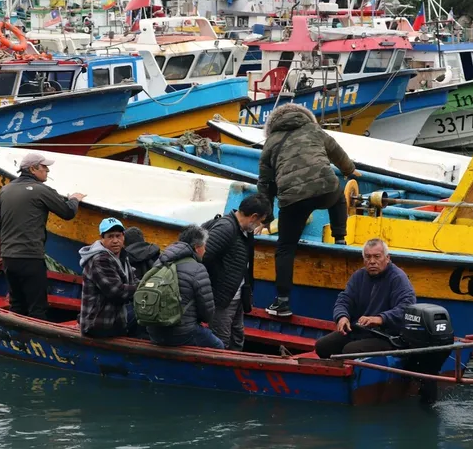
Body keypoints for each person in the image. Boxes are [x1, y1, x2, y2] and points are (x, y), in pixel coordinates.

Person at [257, 102, 360, 317]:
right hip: (325, 190)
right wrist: (350, 170)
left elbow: (265, 184)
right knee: (338, 195)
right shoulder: (314, 130)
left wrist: (267, 218)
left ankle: (282, 302)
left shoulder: (270, 143)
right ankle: (340, 238)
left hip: (293, 201)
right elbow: (336, 152)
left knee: (285, 248)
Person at [0, 152, 85, 320]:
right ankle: (35, 343)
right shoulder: (42, 190)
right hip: (30, 257)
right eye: (44, 167)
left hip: (8, 257)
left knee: (17, 303)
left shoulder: (5, 190)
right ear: (33, 169)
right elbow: (67, 212)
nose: (47, 171)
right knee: (38, 308)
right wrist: (74, 199)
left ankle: (16, 340)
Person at [314, 239, 417, 359]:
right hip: (359, 331)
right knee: (322, 346)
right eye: (368, 257)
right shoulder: (359, 276)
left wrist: (380, 318)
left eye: (377, 256)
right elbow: (344, 299)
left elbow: (407, 308)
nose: (372, 261)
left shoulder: (397, 278)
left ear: (387, 258)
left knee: (350, 350)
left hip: (386, 336)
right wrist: (342, 317)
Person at [203, 194, 271, 351]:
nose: (259, 225)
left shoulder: (246, 231)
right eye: (260, 221)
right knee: (221, 342)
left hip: (237, 296)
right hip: (222, 299)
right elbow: (203, 256)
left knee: (237, 337)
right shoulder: (226, 229)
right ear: (253, 217)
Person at [147, 225, 224, 349]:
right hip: (182, 334)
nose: (205, 250)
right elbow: (207, 314)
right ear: (197, 248)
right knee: (219, 347)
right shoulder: (198, 269)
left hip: (153, 331)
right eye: (205, 246)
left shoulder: (160, 261)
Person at [78, 218, 139, 338]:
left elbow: (133, 281)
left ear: (123, 237)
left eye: (118, 236)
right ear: (102, 238)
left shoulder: (122, 256)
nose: (115, 241)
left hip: (116, 321)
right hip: (98, 325)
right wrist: (143, 288)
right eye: (110, 236)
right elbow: (117, 292)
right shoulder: (100, 260)